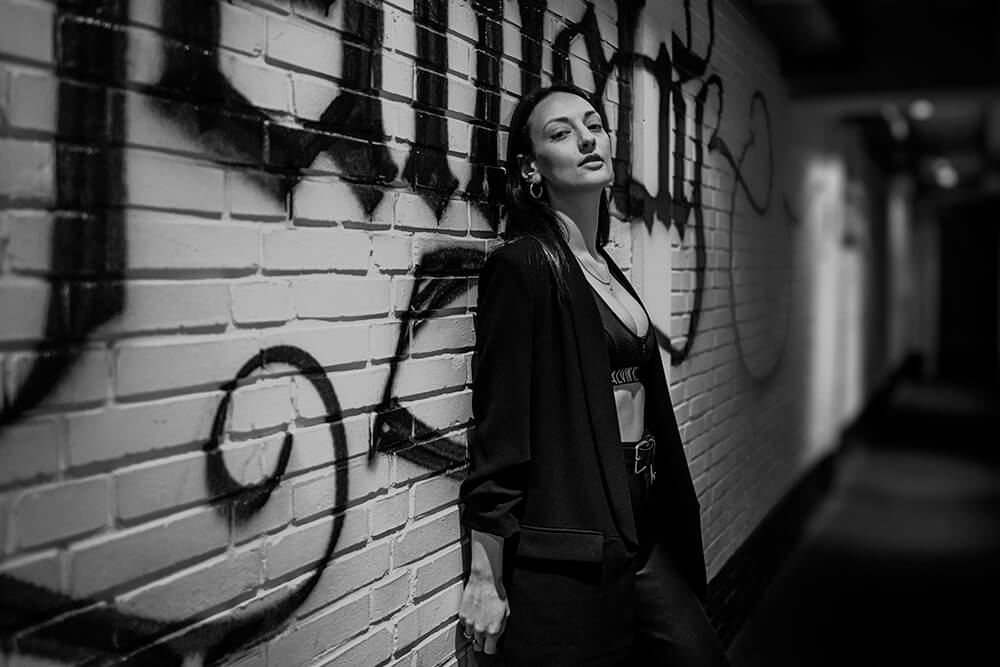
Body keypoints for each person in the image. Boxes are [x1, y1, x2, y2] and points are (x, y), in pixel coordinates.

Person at [457, 83, 731, 666]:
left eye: (594, 125)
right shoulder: (523, 267)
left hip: (645, 527)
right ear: (530, 168)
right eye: (561, 133)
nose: (587, 139)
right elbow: (500, 432)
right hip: (577, 545)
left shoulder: (606, 266)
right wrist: (485, 576)